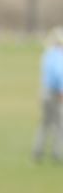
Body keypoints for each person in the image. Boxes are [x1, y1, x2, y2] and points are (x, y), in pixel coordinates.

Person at [33, 27, 63, 163]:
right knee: (58, 124)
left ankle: (37, 151)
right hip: (55, 92)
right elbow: (59, 74)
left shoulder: (47, 54)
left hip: (45, 91)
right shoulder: (58, 55)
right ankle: (57, 153)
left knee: (45, 123)